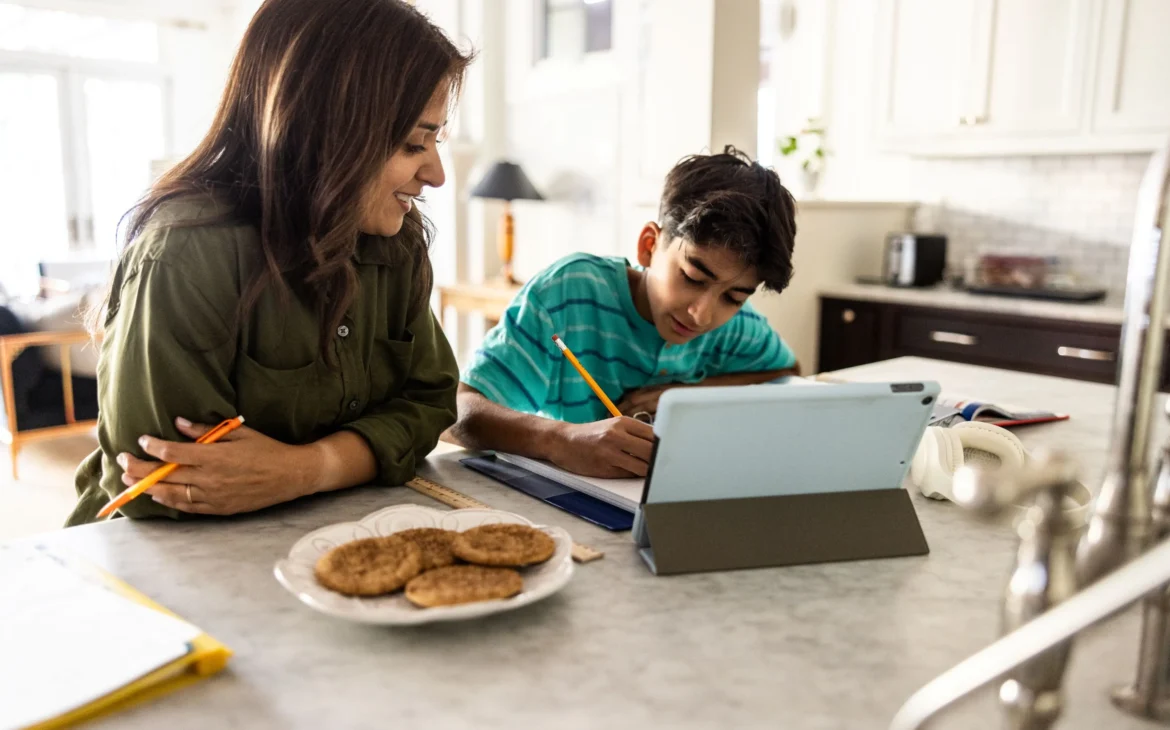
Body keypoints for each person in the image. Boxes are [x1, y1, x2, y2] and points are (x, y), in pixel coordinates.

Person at [67, 0, 473, 525]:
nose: (436, 175)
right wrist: (361, 452)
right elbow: (159, 486)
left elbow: (432, 401)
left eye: (435, 139)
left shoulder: (394, 239)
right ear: (326, 129)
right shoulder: (187, 255)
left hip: (323, 533)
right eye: (413, 143)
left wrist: (308, 469)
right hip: (149, 562)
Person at [449, 146, 800, 478]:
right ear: (649, 246)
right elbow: (462, 412)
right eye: (693, 277)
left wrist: (690, 394)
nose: (702, 315)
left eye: (735, 296)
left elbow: (787, 371)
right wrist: (559, 439)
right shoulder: (567, 292)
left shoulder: (734, 324)